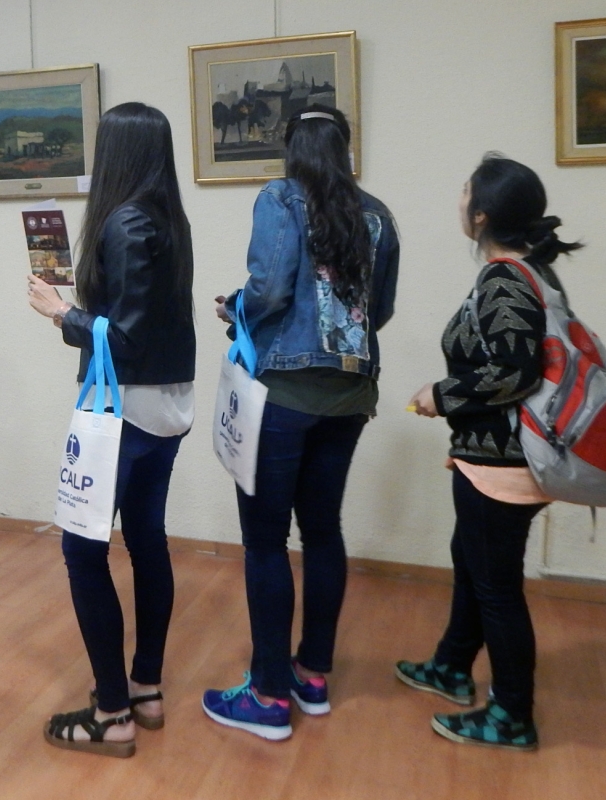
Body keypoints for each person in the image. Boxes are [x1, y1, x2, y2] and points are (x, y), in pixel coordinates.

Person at [201, 105, 399, 741]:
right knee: (323, 531)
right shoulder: (378, 214)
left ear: (292, 149)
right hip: (350, 395)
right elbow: (380, 310)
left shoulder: (281, 198)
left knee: (264, 541)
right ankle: (311, 677)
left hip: (283, 393)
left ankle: (265, 695)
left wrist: (237, 306)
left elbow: (271, 289)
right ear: (344, 148)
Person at [26, 102, 196, 759]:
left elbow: (119, 338)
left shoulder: (124, 221)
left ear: (114, 153)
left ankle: (111, 711)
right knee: (146, 538)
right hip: (167, 407)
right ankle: (146, 688)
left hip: (124, 411)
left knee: (82, 550)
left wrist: (61, 313)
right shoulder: (166, 219)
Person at [399, 153, 581, 752]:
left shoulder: (506, 278)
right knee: (475, 566)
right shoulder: (532, 274)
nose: (458, 199)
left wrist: (440, 396)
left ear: (481, 216)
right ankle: (453, 666)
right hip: (496, 461)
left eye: (464, 192)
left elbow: (513, 370)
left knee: (497, 587)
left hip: (502, 465)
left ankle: (511, 713)